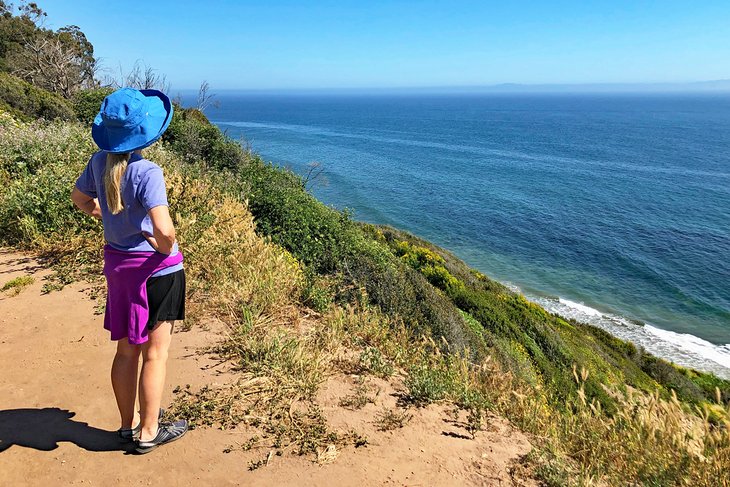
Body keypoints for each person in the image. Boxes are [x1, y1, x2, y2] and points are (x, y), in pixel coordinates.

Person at [71, 87, 188, 454]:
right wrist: (162, 245)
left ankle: (126, 426)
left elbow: (79, 198)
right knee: (156, 354)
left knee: (126, 351)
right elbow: (165, 230)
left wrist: (103, 215)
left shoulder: (98, 163)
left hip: (119, 268)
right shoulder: (147, 171)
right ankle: (149, 431)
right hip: (157, 272)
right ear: (145, 132)